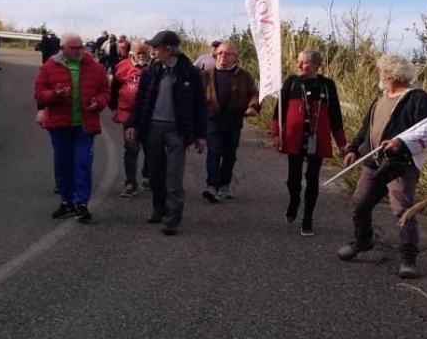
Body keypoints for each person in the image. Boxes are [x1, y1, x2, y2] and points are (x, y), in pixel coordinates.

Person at [337, 55, 427, 279]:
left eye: (382, 71)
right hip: (373, 162)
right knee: (360, 204)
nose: (380, 75)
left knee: (403, 210)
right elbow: (367, 127)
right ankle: (363, 241)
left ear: (391, 74)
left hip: (400, 165)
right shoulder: (380, 98)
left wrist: (401, 143)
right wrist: (353, 148)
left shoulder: (418, 99)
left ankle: (408, 259)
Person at [124, 30, 207, 236]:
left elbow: (200, 105)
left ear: (168, 50)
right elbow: (140, 100)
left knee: (174, 175)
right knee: (154, 173)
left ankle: (172, 219)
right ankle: (159, 208)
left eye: (156, 48)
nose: (152, 51)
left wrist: (200, 135)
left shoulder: (190, 73)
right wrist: (133, 124)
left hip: (177, 130)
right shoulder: (151, 71)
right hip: (153, 128)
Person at [34, 32, 110, 223]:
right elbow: (40, 94)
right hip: (60, 125)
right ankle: (67, 201)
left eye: (80, 47)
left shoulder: (95, 67)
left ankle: (81, 204)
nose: (78, 51)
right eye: (73, 48)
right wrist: (55, 95)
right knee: (64, 164)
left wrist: (98, 102)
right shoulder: (49, 67)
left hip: (85, 125)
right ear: (62, 49)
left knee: (83, 163)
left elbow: (105, 91)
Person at [271, 50, 347, 237]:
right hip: (294, 138)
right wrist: (276, 134)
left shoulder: (327, 85)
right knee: (293, 179)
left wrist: (342, 143)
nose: (299, 65)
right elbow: (279, 109)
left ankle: (307, 219)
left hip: (317, 139)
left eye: (303, 62)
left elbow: (335, 114)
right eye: (298, 61)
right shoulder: (292, 82)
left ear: (316, 65)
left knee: (312, 178)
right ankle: (294, 201)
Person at [200, 42, 259, 202]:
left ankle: (224, 185)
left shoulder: (243, 76)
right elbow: (197, 96)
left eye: (227, 54)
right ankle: (212, 186)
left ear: (235, 57)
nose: (223, 57)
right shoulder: (206, 75)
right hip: (212, 120)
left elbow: (254, 94)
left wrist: (252, 106)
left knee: (229, 155)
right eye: (220, 53)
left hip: (233, 121)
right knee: (214, 153)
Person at [109, 39, 151, 196]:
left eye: (145, 52)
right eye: (139, 52)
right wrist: (115, 107)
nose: (142, 55)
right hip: (128, 114)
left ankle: (148, 177)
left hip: (149, 115)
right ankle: (131, 183)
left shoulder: (155, 66)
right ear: (132, 51)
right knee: (131, 148)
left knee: (151, 148)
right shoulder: (122, 66)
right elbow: (114, 89)